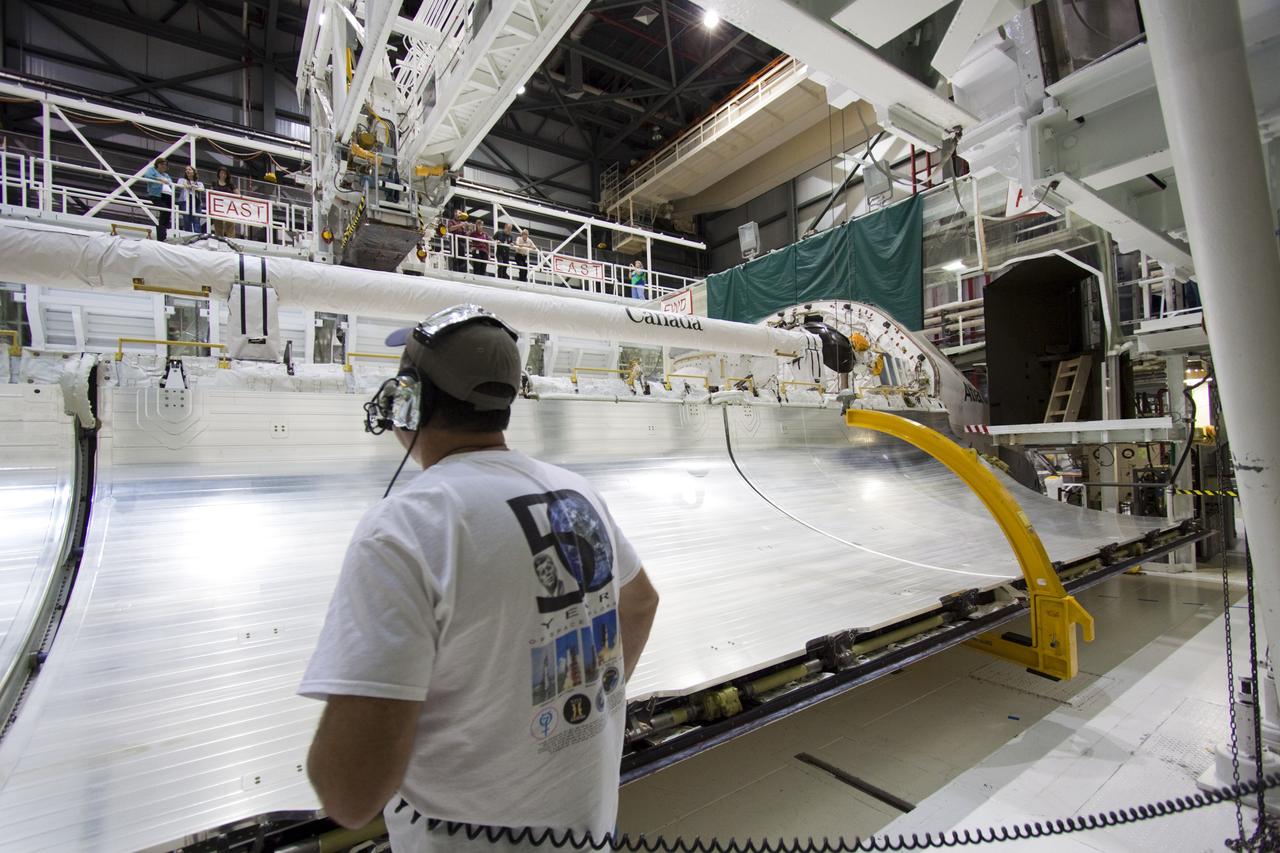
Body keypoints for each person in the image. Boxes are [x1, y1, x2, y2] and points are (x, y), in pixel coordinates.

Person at [301, 304, 660, 851]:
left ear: (411, 398)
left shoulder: (406, 528)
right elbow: (641, 603)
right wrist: (583, 706)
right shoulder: (577, 492)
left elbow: (350, 796)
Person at [141, 157, 174, 242]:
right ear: (157, 164)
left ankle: (164, 234)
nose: (164, 166)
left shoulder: (166, 175)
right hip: (157, 195)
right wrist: (158, 179)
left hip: (168, 196)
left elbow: (170, 182)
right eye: (162, 164)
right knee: (164, 211)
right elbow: (147, 175)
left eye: (165, 165)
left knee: (167, 213)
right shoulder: (152, 170)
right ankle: (161, 236)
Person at [210, 166, 238, 238]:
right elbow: (211, 193)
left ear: (227, 175)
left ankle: (231, 240)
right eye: (221, 173)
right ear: (219, 174)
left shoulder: (231, 185)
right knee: (218, 224)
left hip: (229, 207)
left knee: (230, 224)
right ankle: (219, 239)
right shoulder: (214, 183)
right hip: (217, 207)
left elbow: (238, 194)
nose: (223, 175)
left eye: (225, 174)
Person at [177, 165, 205, 234]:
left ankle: (197, 235)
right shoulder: (182, 180)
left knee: (196, 220)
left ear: (194, 172)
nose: (187, 171)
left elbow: (202, 189)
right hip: (185, 201)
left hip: (196, 202)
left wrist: (194, 187)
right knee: (186, 219)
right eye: (186, 170)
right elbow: (179, 186)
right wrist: (190, 186)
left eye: (189, 169)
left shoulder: (199, 183)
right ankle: (188, 234)